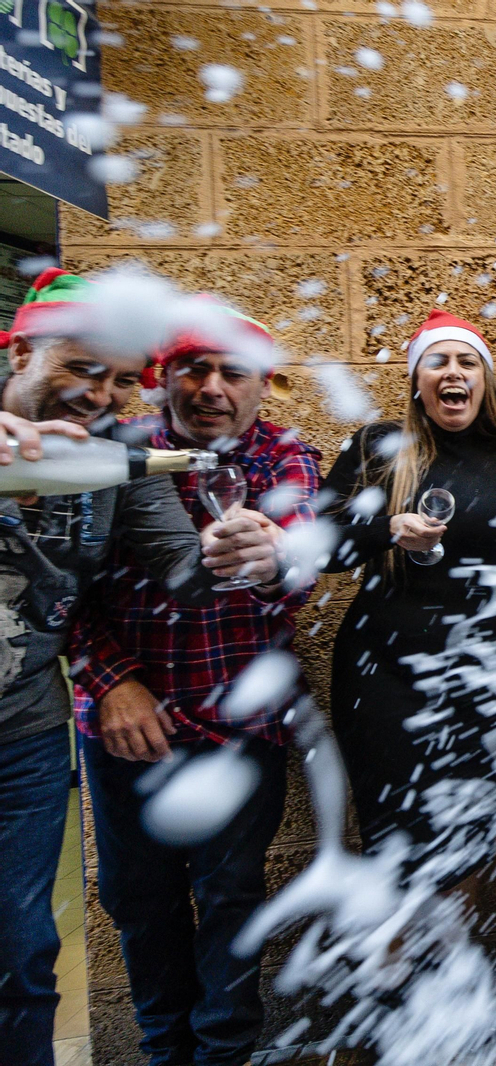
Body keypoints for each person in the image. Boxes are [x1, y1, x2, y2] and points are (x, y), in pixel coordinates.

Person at [0, 270, 268, 1066]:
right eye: (80, 369)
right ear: (22, 350)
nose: (98, 396)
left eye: (119, 381)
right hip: (89, 724)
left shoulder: (122, 453)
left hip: (24, 734)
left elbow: (180, 567)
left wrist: (230, 552)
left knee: (20, 950)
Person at [69, 300, 322, 1066]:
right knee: (138, 906)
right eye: (195, 369)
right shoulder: (112, 450)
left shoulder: (285, 455)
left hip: (240, 731)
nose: (212, 388)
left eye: (231, 373)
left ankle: (222, 1054)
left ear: (262, 384)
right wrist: (111, 681)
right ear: (166, 378)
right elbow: (57, 591)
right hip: (125, 729)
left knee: (231, 902)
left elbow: (298, 566)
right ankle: (162, 1051)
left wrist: (274, 555)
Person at [321, 309, 496, 893]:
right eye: (439, 360)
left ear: (484, 377)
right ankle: (400, 980)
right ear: (417, 378)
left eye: (466, 361)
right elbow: (319, 544)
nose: (453, 372)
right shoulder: (378, 446)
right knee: (395, 841)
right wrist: (386, 529)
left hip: (477, 671)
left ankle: (453, 978)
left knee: (469, 833)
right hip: (383, 675)